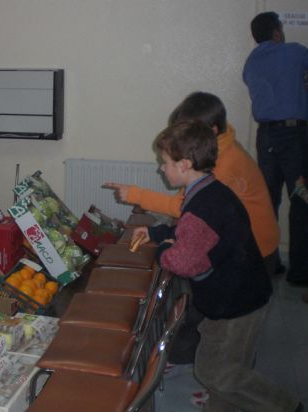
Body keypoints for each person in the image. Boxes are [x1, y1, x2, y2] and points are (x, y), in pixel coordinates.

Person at [132, 119, 301, 412]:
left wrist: (161, 250)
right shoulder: (207, 190)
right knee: (226, 369)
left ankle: (287, 405)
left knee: (216, 372)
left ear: (184, 164)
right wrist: (159, 233)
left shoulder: (203, 206)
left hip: (236, 303)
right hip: (237, 295)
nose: (162, 168)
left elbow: (182, 261)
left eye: (165, 163)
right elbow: (188, 231)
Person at [105, 92, 281, 277]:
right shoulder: (216, 147)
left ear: (211, 130)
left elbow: (182, 207)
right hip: (243, 243)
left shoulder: (222, 165)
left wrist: (136, 195)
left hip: (253, 249)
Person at [243, 11, 308, 285]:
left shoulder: (251, 62)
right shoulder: (294, 52)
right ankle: (301, 272)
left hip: (266, 137)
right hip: (294, 136)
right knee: (302, 200)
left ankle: (269, 264)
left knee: (267, 201)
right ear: (277, 33)